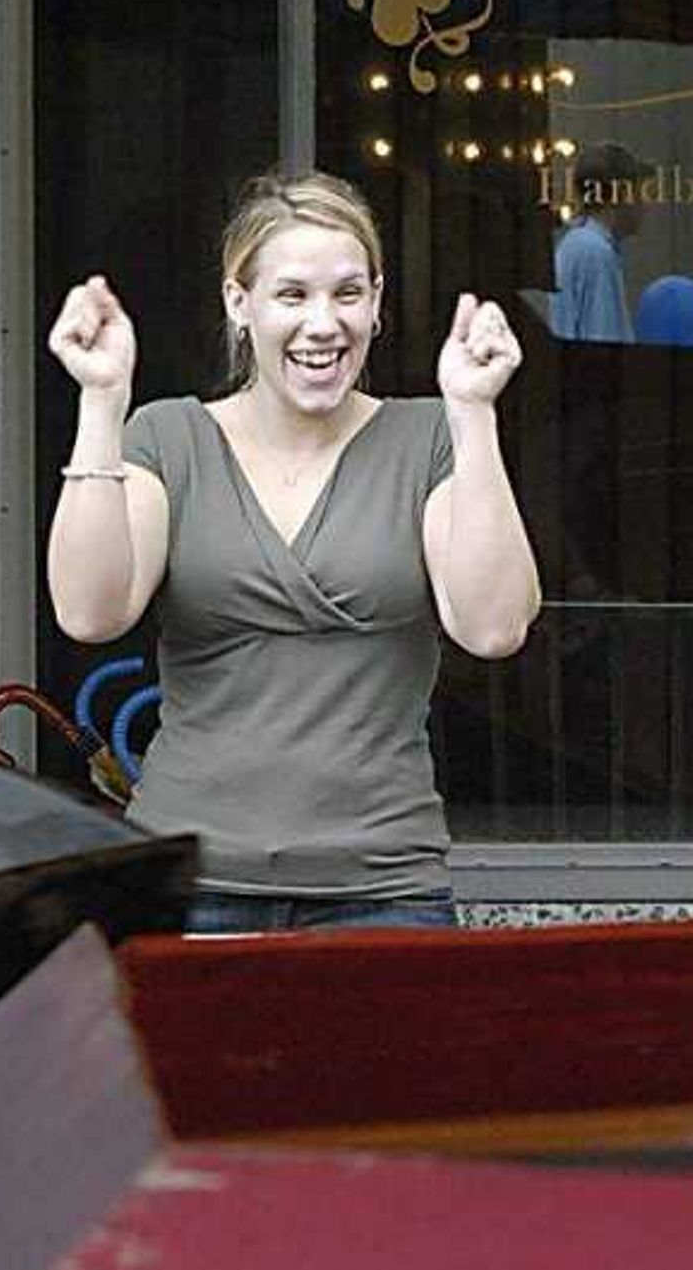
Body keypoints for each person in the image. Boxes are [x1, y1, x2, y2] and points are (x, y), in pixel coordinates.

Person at [45, 170, 541, 933]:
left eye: (348, 294)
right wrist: (101, 403)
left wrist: (473, 415)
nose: (323, 324)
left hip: (382, 885)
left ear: (377, 304)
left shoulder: (428, 439)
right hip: (190, 880)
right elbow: (89, 611)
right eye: (292, 296)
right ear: (239, 305)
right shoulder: (167, 437)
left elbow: (494, 626)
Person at [549, 145, 645, 343]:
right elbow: (604, 345)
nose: (644, 203)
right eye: (638, 192)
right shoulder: (595, 253)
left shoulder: (573, 245)